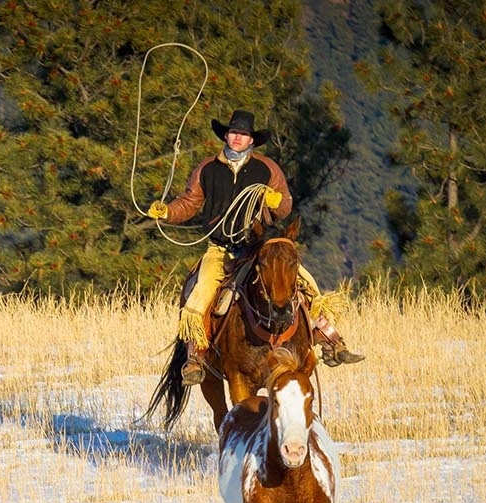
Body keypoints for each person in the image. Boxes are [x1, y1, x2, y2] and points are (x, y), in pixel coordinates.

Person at [147, 109, 364, 384]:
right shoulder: (208, 168)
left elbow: (285, 204)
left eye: (244, 134)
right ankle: (194, 356)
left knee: (305, 283)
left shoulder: (267, 168)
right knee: (200, 293)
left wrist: (275, 202)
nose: (238, 138)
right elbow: (189, 203)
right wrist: (166, 212)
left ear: (252, 140)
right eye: (234, 133)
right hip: (221, 249)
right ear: (226, 135)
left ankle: (330, 339)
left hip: (258, 245)